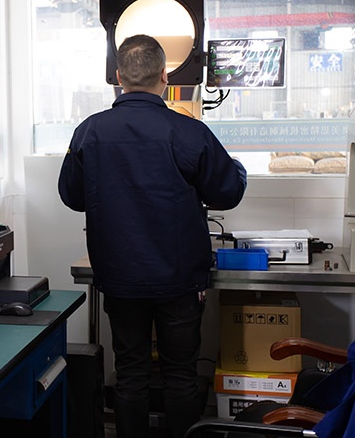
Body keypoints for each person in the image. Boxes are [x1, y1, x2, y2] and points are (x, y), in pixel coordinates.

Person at [58, 34, 247, 438]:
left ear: (118, 77)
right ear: (165, 76)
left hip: (120, 278)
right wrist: (237, 168)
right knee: (180, 375)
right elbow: (228, 191)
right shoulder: (189, 132)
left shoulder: (89, 132)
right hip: (179, 280)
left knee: (130, 373)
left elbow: (72, 196)